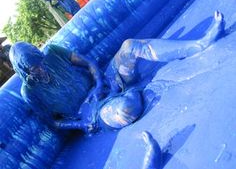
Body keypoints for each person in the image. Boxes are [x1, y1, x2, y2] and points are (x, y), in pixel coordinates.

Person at [9, 11, 225, 133]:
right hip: (94, 112)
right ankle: (134, 91)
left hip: (106, 82)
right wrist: (81, 123)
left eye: (41, 62)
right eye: (35, 69)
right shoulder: (29, 93)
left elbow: (88, 63)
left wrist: (99, 82)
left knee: (130, 45)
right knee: (126, 110)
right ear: (24, 72)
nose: (42, 68)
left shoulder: (53, 52)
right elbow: (52, 122)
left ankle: (200, 44)